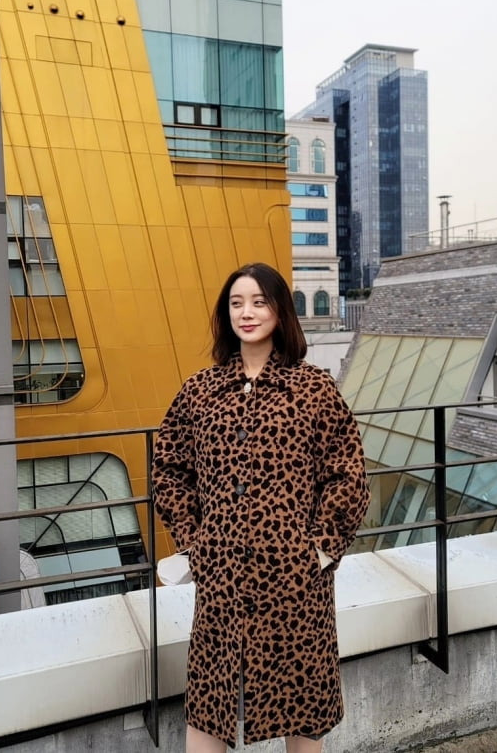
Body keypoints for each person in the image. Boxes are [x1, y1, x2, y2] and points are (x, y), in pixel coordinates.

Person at [152, 262, 370, 752]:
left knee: (302, 708)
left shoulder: (312, 389)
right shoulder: (200, 391)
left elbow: (349, 476)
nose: (246, 313)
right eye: (236, 303)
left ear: (280, 311)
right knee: (209, 704)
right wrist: (194, 542)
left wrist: (318, 551)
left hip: (296, 582)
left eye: (258, 302)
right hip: (221, 577)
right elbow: (168, 468)